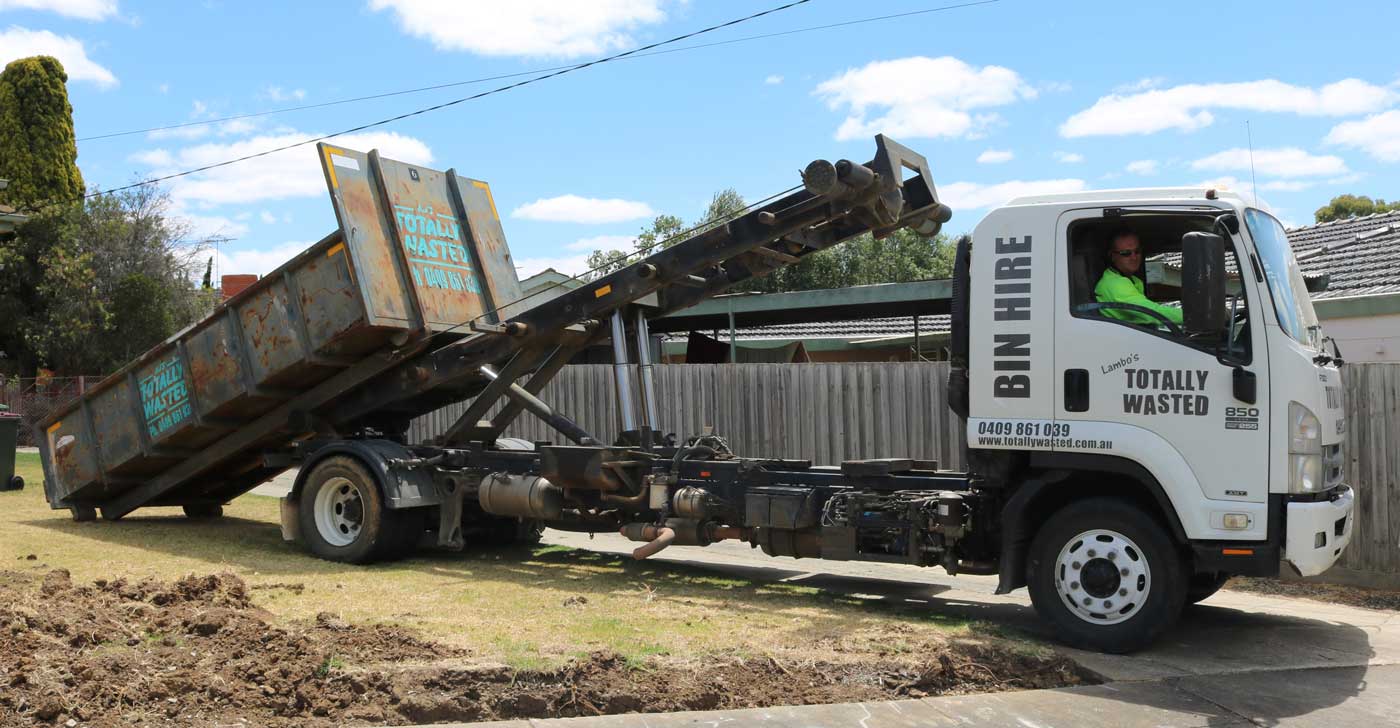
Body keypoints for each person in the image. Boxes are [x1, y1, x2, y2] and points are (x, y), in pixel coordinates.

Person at [1094, 227, 1183, 326]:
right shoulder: (1114, 284)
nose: (1134, 257)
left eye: (1137, 251)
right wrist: (1190, 317)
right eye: (1126, 253)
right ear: (1112, 256)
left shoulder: (1133, 280)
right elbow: (1152, 313)